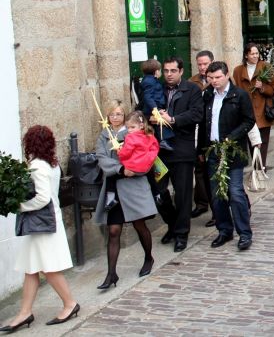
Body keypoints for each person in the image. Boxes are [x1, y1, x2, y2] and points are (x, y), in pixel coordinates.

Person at [1, 126, 79, 331]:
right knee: (32, 268)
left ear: (31, 142)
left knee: (48, 269)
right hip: (45, 222)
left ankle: (70, 304)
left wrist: (20, 206)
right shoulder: (50, 163)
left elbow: (43, 198)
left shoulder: (38, 165)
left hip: (43, 223)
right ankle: (24, 313)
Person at [94, 104, 159, 290]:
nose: (115, 117)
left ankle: (148, 257)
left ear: (125, 117)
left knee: (140, 225)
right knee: (113, 230)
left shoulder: (135, 134)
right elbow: (101, 157)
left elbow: (145, 157)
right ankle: (111, 273)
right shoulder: (104, 135)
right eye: (112, 113)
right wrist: (120, 169)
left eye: (119, 114)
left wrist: (134, 169)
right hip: (114, 184)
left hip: (133, 185)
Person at [201, 61, 256, 250]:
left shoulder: (239, 95)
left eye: (217, 77)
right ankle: (224, 230)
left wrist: (231, 138)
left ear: (226, 76)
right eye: (211, 78)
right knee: (217, 195)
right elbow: (203, 123)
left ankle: (245, 233)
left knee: (235, 192)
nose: (214, 81)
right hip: (213, 151)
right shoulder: (207, 95)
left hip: (233, 151)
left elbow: (249, 120)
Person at [155, 56, 203, 252]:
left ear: (181, 71)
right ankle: (173, 224)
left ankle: (181, 233)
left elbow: (196, 114)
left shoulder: (191, 90)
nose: (169, 75)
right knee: (157, 191)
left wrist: (173, 119)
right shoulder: (157, 89)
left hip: (182, 149)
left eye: (173, 71)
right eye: (166, 71)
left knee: (182, 194)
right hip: (159, 151)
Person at [232, 42, 274, 166]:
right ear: (246, 55)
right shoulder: (238, 70)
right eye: (252, 54)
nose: (255, 56)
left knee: (262, 143)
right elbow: (235, 90)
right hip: (247, 113)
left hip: (263, 111)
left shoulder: (266, 66)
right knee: (252, 143)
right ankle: (257, 167)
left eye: (257, 53)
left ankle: (260, 169)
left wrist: (262, 87)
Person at [189, 50, 214, 220]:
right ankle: (201, 203)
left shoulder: (219, 80)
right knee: (199, 169)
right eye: (200, 64)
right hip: (198, 130)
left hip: (214, 130)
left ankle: (216, 208)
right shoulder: (192, 82)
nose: (203, 67)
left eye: (205, 64)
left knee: (213, 171)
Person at [138, 58, 173, 151]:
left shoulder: (150, 80)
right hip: (151, 109)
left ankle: (162, 141)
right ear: (156, 71)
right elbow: (148, 97)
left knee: (159, 124)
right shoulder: (150, 82)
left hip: (154, 107)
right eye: (161, 70)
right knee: (160, 123)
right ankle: (163, 141)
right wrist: (155, 109)